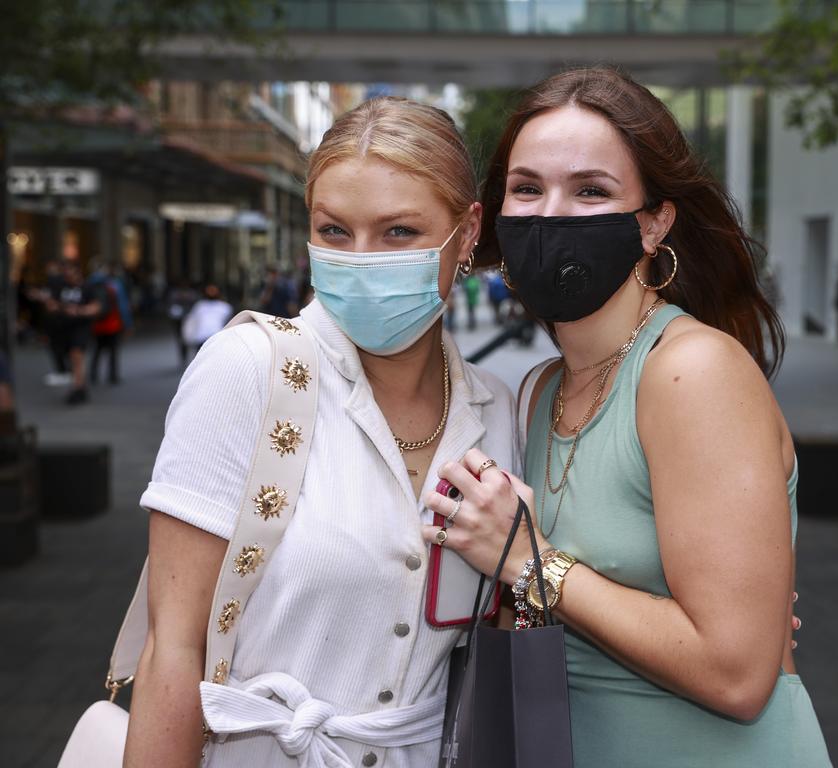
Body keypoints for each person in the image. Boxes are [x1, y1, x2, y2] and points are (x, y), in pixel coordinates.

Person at [423, 67, 830, 767]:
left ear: (653, 223)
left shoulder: (690, 371)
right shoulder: (540, 389)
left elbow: (736, 675)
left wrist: (533, 566)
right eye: (527, 188)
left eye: (591, 191)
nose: (551, 214)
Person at [123, 97, 518, 768]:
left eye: (398, 233)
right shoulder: (246, 370)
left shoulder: (497, 407)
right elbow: (173, 646)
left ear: (468, 229)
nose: (361, 261)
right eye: (335, 232)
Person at [48, 260, 102, 405]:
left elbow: (96, 306)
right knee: (71, 358)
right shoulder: (60, 286)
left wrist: (79, 311)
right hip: (63, 329)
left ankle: (78, 387)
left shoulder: (87, 287)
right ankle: (80, 385)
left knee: (76, 355)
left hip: (80, 328)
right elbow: (51, 304)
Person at [89, 261, 133, 385]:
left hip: (97, 324)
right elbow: (122, 305)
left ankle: (93, 374)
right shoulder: (114, 285)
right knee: (113, 350)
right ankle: (112, 375)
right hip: (112, 323)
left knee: (97, 349)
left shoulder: (89, 284)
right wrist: (127, 324)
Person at [180, 284, 234, 359]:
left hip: (217, 338)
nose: (211, 292)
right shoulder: (200, 306)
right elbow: (192, 321)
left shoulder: (225, 307)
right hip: (201, 338)